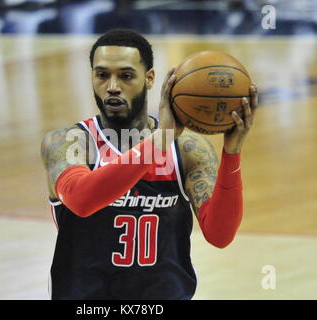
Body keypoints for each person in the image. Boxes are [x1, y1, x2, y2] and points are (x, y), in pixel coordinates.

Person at [41, 28, 258, 300]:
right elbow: (82, 200)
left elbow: (220, 234)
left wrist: (232, 153)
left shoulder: (187, 150)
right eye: (102, 75)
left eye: (126, 75)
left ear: (150, 78)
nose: (112, 86)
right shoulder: (69, 142)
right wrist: (160, 141)